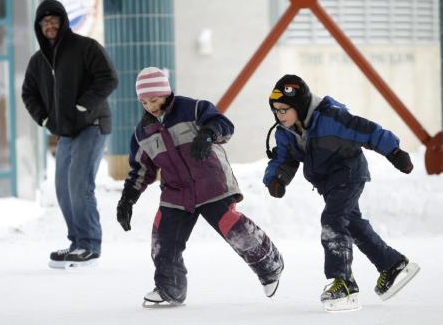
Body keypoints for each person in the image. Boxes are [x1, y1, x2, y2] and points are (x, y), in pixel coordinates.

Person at [116, 67, 284, 307]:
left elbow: (224, 125)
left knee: (233, 227)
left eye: (154, 100)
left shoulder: (192, 109)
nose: (150, 106)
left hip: (211, 183)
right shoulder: (142, 133)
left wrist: (207, 134)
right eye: (144, 102)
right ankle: (170, 288)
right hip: (176, 192)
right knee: (163, 241)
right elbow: (141, 170)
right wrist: (127, 199)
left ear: (166, 93)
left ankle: (270, 266)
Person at [263, 74, 420, 312]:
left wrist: (395, 152)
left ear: (300, 105)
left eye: (284, 109)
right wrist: (276, 179)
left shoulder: (331, 117)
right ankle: (393, 265)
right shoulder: (285, 132)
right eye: (276, 110)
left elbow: (368, 131)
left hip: (349, 173)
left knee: (333, 220)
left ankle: (344, 283)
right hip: (328, 184)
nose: (279, 115)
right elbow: (284, 159)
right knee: (352, 224)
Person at [21, 0, 118, 269]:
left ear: (63, 22)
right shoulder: (38, 61)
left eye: (54, 20)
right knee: (63, 188)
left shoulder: (85, 47)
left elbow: (108, 77)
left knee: (78, 183)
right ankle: (77, 243)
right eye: (45, 22)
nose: (50, 25)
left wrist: (82, 105)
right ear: (39, 27)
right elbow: (28, 93)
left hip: (93, 124)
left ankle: (89, 245)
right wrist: (43, 118)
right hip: (65, 130)